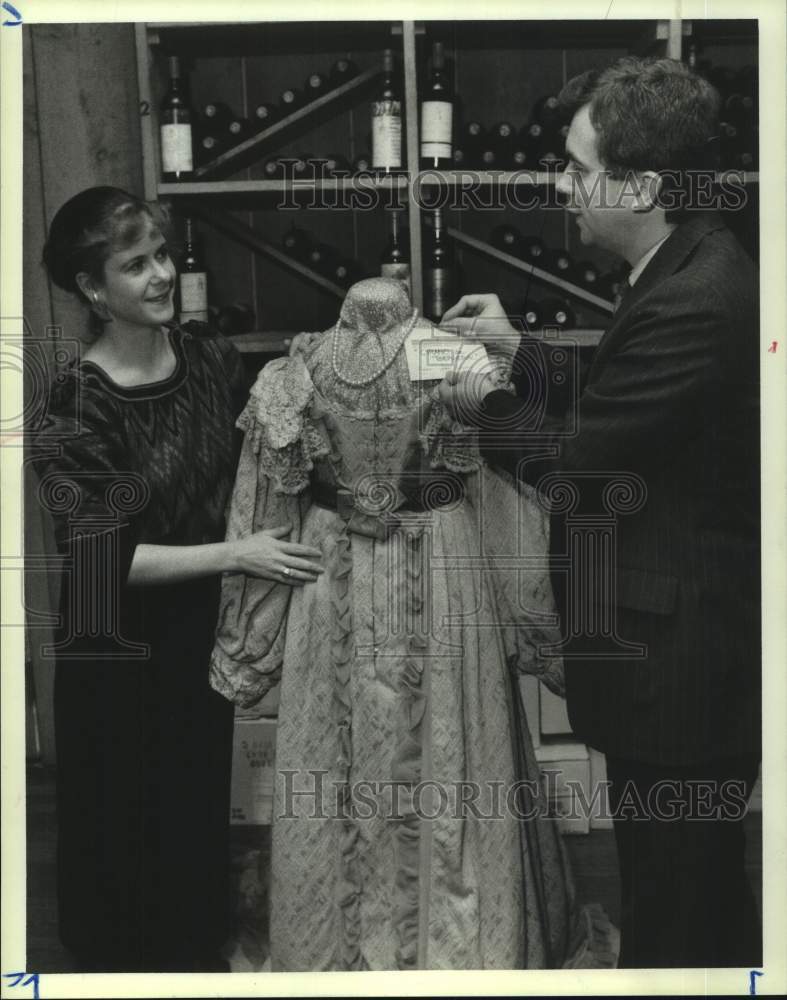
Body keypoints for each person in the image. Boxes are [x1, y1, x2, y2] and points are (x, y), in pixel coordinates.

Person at [437, 57, 760, 968]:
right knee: (693, 891)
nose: (561, 184)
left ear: (644, 185)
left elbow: (580, 463)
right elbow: (636, 407)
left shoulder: (699, 294)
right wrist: (522, 352)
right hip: (676, 658)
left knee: (673, 911)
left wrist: (474, 397)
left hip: (679, 669)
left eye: (579, 168)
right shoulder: (687, 260)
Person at [209, 276, 617, 971]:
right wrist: (538, 617)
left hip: (341, 561)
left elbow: (265, 509)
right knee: (450, 745)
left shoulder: (296, 369)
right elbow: (509, 491)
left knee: (374, 748)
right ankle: (458, 941)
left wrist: (247, 644)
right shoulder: (421, 360)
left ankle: (374, 948)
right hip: (437, 559)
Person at [34, 186, 324, 972]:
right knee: (124, 821)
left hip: (199, 623)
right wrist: (239, 555)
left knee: (192, 807)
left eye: (161, 253)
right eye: (136, 264)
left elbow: (261, 469)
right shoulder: (73, 404)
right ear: (94, 290)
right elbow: (104, 557)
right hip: (117, 644)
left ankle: (192, 958)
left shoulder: (210, 360)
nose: (162, 274)